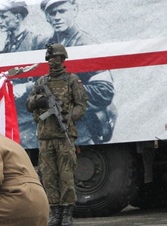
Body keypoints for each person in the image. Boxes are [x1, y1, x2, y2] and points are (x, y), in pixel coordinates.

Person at [37, 0, 116, 145]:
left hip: (83, 132)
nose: (57, 17)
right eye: (52, 13)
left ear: (74, 10)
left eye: (62, 11)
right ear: (47, 17)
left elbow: (105, 91)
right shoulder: (47, 44)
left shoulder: (86, 45)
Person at [26, 43, 87, 226]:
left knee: (66, 174)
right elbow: (29, 104)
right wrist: (39, 100)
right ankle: (55, 213)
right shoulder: (41, 83)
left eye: (56, 58)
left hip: (64, 135)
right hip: (45, 137)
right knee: (48, 176)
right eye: (50, 59)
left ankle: (67, 212)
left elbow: (81, 104)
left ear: (63, 59)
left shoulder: (71, 80)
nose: (53, 62)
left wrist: (69, 118)